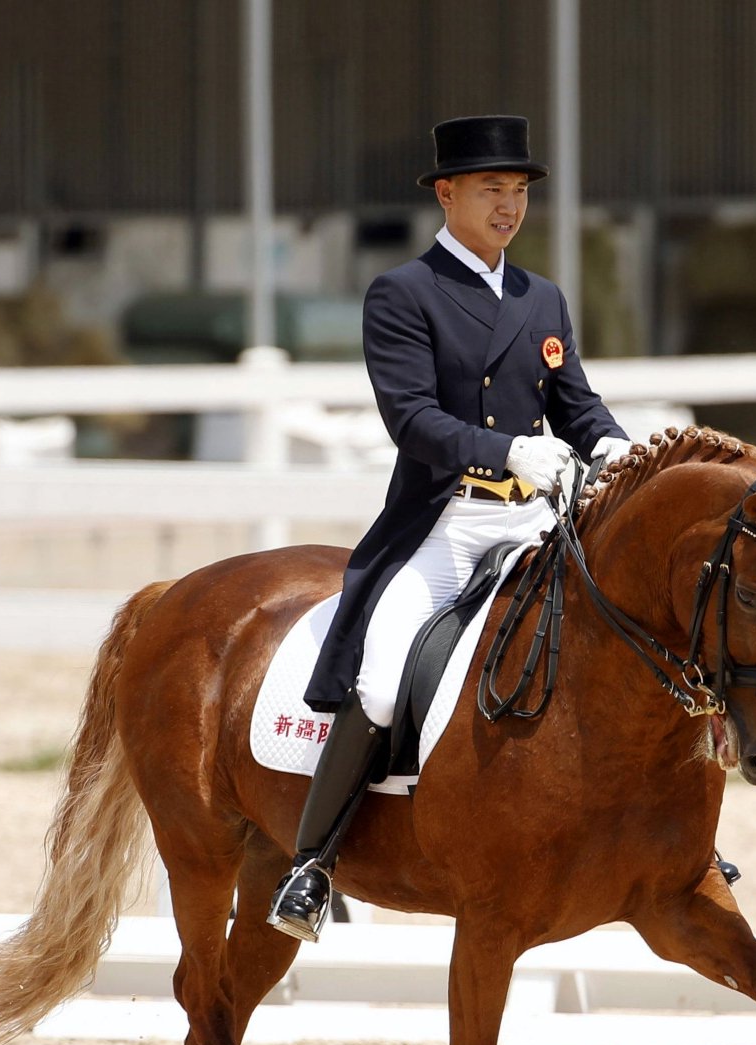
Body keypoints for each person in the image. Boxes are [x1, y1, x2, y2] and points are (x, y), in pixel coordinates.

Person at [268, 114, 627, 943]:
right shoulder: (404, 293)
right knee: (385, 678)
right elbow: (415, 421)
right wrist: (510, 451)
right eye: (492, 190)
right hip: (447, 520)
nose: (509, 207)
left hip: (537, 521)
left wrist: (610, 441)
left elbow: (574, 402)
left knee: (632, 638)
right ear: (447, 193)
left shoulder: (542, 297)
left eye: (519, 192)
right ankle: (313, 865)